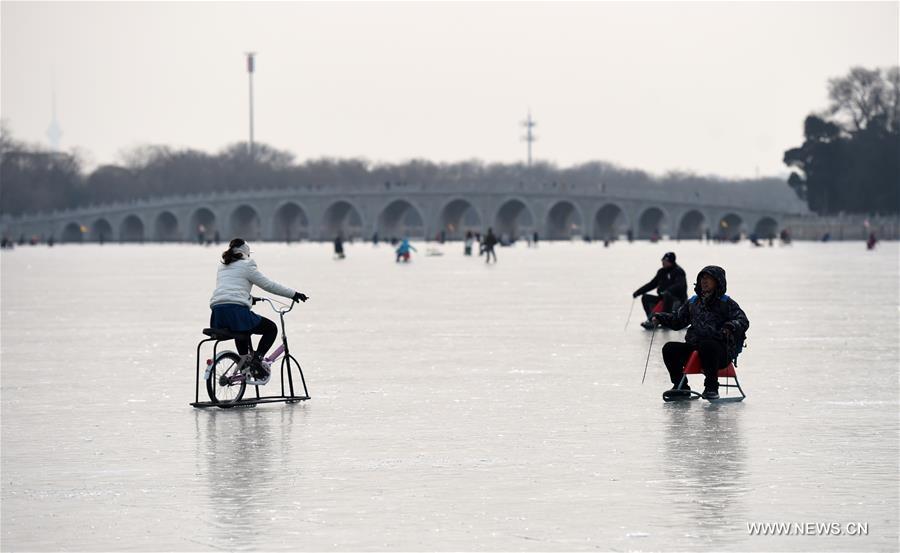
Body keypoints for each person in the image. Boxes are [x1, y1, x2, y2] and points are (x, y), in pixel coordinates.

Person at [208, 238, 308, 383]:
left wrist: (249, 298)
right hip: (236, 311)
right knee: (271, 328)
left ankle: (244, 365)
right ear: (246, 253)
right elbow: (269, 285)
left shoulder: (223, 266)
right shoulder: (247, 265)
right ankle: (257, 359)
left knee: (241, 331)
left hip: (218, 313)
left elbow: (229, 290)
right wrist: (293, 294)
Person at [651, 265, 749, 400]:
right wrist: (661, 317)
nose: (704, 281)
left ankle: (711, 388)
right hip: (695, 348)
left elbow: (743, 320)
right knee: (670, 348)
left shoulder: (726, 303)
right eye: (702, 278)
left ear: (718, 281)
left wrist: (730, 326)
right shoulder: (693, 302)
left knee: (708, 345)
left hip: (720, 352)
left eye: (709, 278)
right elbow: (678, 321)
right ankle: (682, 387)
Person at [633, 252, 687, 329]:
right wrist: (638, 292)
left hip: (677, 301)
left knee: (667, 295)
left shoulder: (679, 271)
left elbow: (679, 285)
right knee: (645, 297)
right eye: (662, 261)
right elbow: (652, 284)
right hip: (663, 300)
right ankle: (652, 320)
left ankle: (666, 321)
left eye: (665, 261)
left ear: (671, 262)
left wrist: (667, 291)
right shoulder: (661, 272)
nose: (663, 263)